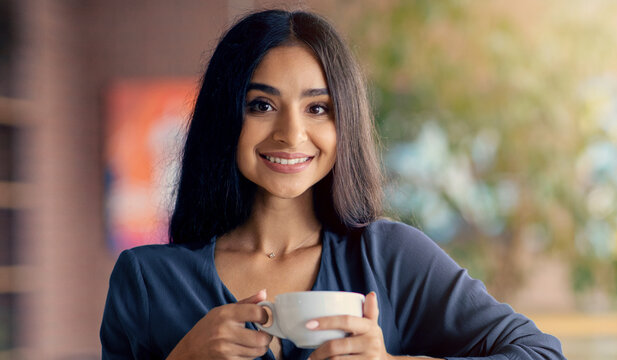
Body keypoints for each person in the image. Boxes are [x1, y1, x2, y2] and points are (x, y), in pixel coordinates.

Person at [100, 9, 566, 360]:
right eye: (261, 105)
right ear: (225, 118)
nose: (291, 133)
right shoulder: (145, 280)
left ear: (345, 123)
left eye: (317, 108)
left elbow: (542, 353)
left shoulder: (389, 258)